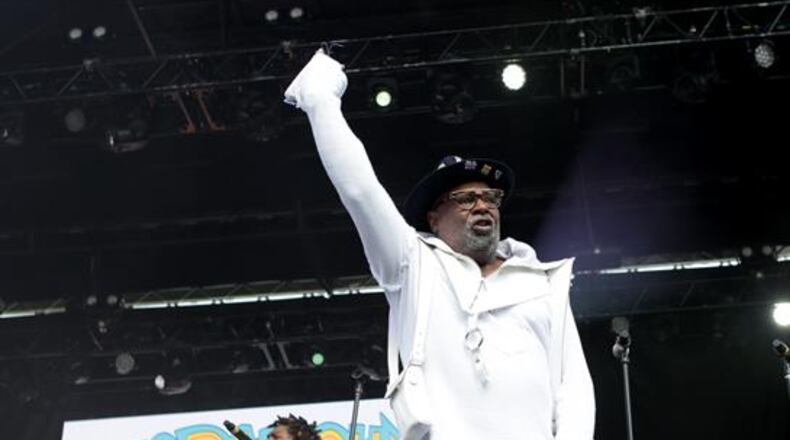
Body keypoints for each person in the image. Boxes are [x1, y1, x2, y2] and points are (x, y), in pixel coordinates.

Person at [284, 49, 595, 440]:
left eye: (491, 198)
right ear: (434, 217)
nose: (483, 206)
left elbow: (574, 388)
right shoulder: (412, 265)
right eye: (466, 200)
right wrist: (320, 100)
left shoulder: (544, 282)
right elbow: (361, 191)